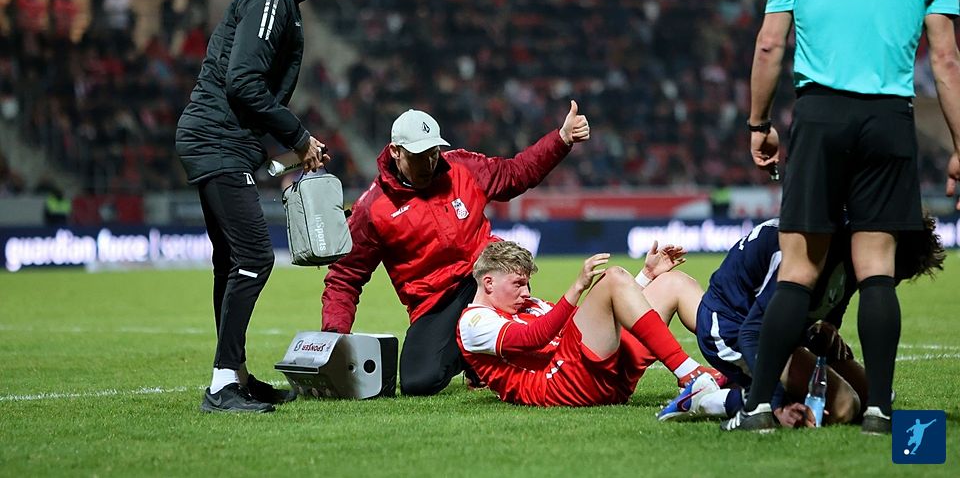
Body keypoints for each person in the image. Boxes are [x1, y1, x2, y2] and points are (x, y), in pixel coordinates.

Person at [735, 0, 960, 434]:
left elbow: (769, 45)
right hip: (889, 118)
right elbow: (946, 62)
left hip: (820, 116)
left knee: (798, 270)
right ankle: (879, 412)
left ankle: (756, 409)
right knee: (876, 269)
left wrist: (759, 123)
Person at [175, 0, 344, 413]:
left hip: (218, 137)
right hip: (217, 139)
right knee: (254, 257)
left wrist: (293, 140)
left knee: (232, 261)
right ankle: (222, 386)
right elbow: (243, 81)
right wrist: (299, 138)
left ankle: (237, 376)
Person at [322, 102, 590, 396]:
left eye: (433, 153)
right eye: (418, 157)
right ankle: (477, 354)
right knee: (418, 382)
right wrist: (334, 339)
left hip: (483, 277)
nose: (429, 164)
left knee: (507, 278)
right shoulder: (372, 208)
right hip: (434, 303)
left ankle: (529, 326)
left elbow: (516, 173)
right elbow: (345, 277)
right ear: (396, 152)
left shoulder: (463, 167)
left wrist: (561, 139)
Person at [658, 216, 945, 427]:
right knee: (845, 407)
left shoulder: (849, 246)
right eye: (894, 277)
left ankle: (750, 387)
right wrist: (772, 404)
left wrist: (826, 329)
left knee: (877, 396)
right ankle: (710, 399)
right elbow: (752, 332)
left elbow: (832, 300)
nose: (891, 285)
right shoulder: (807, 251)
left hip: (769, 328)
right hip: (730, 329)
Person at [455, 240, 722, 407]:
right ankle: (689, 373)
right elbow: (532, 338)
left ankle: (733, 354)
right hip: (560, 385)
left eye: (527, 284)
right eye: (518, 284)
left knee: (673, 283)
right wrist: (578, 287)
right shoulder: (474, 322)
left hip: (599, 373)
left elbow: (600, 318)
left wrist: (646, 277)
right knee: (613, 277)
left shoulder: (531, 305)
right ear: (488, 283)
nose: (526, 292)